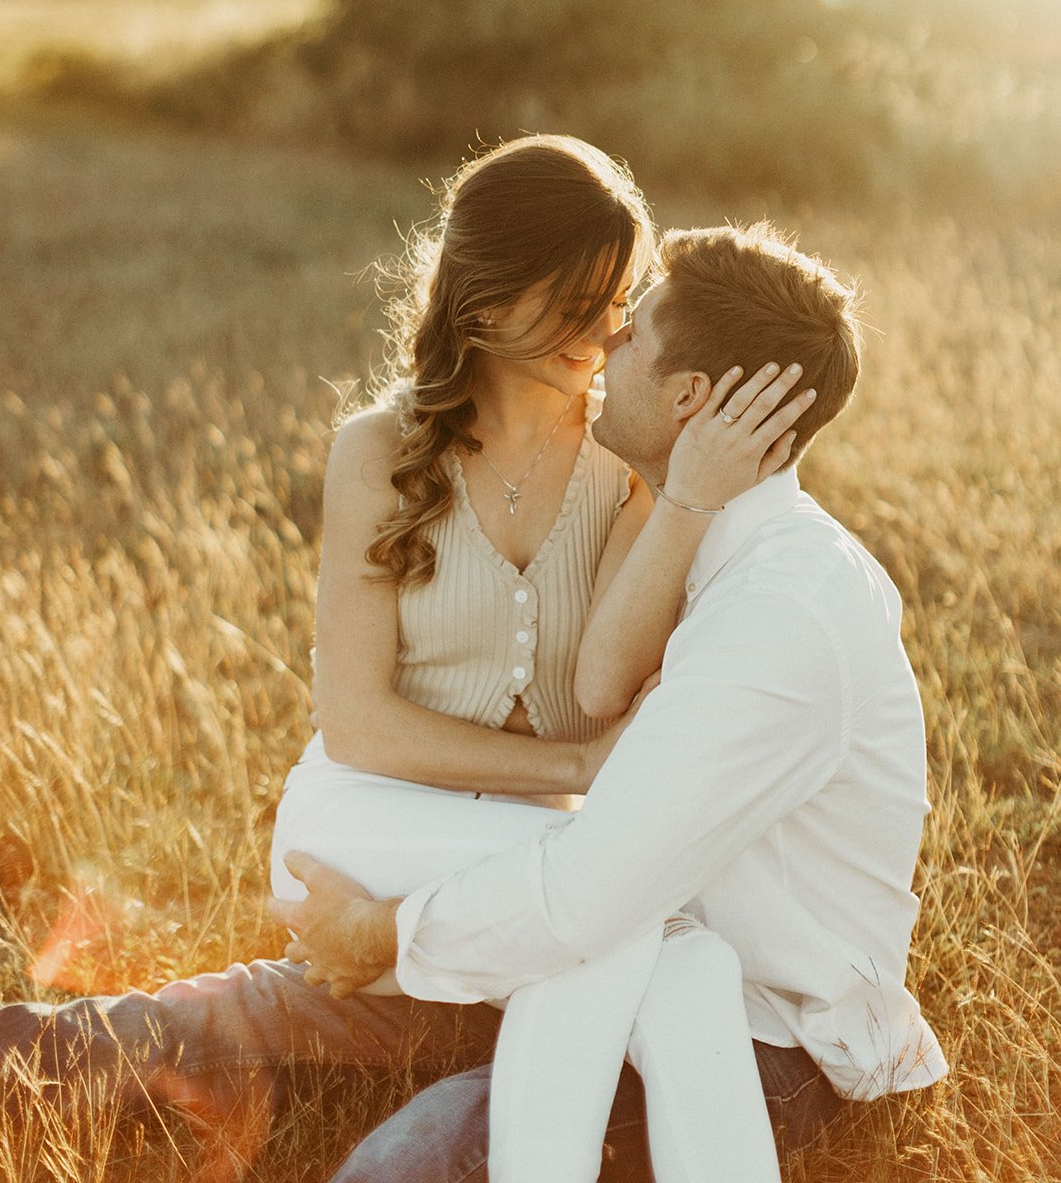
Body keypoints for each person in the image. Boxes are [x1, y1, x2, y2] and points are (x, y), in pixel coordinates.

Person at [0, 138, 806, 1179]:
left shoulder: (627, 467)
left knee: (401, 994)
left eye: (619, 297)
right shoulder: (379, 450)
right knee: (630, 928)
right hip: (369, 819)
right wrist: (573, 774)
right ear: (486, 295)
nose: (605, 327)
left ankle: (92, 1043)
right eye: (575, 296)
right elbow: (360, 726)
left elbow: (601, 691)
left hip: (513, 861)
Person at [269, 220, 949, 1183]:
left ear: (689, 397)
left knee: (426, 1156)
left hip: (766, 1034)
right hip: (608, 954)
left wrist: (384, 931)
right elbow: (594, 701)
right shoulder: (703, 543)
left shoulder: (780, 605)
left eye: (634, 331)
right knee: (253, 1023)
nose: (606, 338)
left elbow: (588, 896)